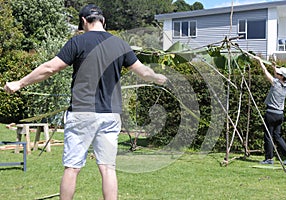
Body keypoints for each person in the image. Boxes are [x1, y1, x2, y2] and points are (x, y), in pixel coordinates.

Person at [4, 4, 167, 200]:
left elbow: (49, 68)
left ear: (83, 21)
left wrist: (19, 83)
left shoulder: (77, 42)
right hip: (110, 115)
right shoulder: (120, 45)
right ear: (103, 21)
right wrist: (159, 77)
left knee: (72, 168)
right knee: (108, 168)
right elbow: (144, 72)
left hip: (82, 113)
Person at [254, 56, 286, 165]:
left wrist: (259, 62)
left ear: (281, 76)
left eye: (278, 73)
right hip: (279, 115)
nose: (276, 74)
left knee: (268, 136)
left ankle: (269, 159)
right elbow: (278, 75)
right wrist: (274, 67)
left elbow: (265, 72)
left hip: (271, 113)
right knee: (277, 136)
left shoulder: (275, 83)